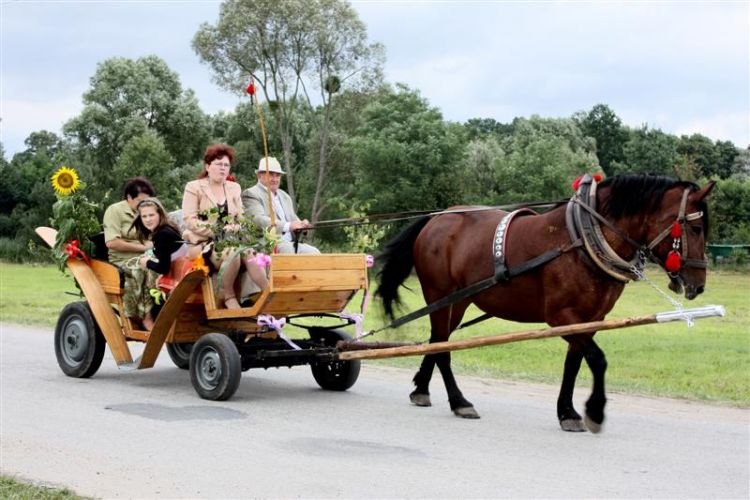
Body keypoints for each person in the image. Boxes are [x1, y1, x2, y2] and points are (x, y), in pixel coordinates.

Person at [182, 144, 268, 309]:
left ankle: (267, 292)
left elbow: (241, 217)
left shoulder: (234, 188)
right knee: (232, 253)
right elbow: (190, 220)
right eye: (218, 164)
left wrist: (237, 226)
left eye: (226, 165)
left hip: (233, 239)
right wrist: (218, 230)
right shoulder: (193, 187)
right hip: (204, 243)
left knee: (251, 252)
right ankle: (228, 296)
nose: (223, 168)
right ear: (208, 166)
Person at [123, 197, 186, 331]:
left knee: (135, 271)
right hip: (176, 267)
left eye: (151, 215)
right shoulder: (167, 229)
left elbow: (163, 267)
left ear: (160, 215)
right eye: (144, 216)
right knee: (139, 265)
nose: (148, 219)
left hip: (176, 273)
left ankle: (146, 317)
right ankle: (141, 314)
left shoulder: (162, 234)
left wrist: (147, 262)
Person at [241, 156, 320, 254]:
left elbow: (294, 220)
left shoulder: (285, 196)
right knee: (292, 251)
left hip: (291, 244)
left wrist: (303, 225)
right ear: (259, 175)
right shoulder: (250, 194)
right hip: (267, 245)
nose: (275, 179)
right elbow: (258, 220)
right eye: (270, 174)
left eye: (277, 175)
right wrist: (288, 225)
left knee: (315, 252)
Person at [103, 177, 156, 265]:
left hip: (149, 256)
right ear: (129, 197)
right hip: (125, 261)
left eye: (148, 201)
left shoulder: (148, 211)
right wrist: (143, 248)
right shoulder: (115, 210)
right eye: (140, 201)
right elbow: (112, 242)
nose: (144, 204)